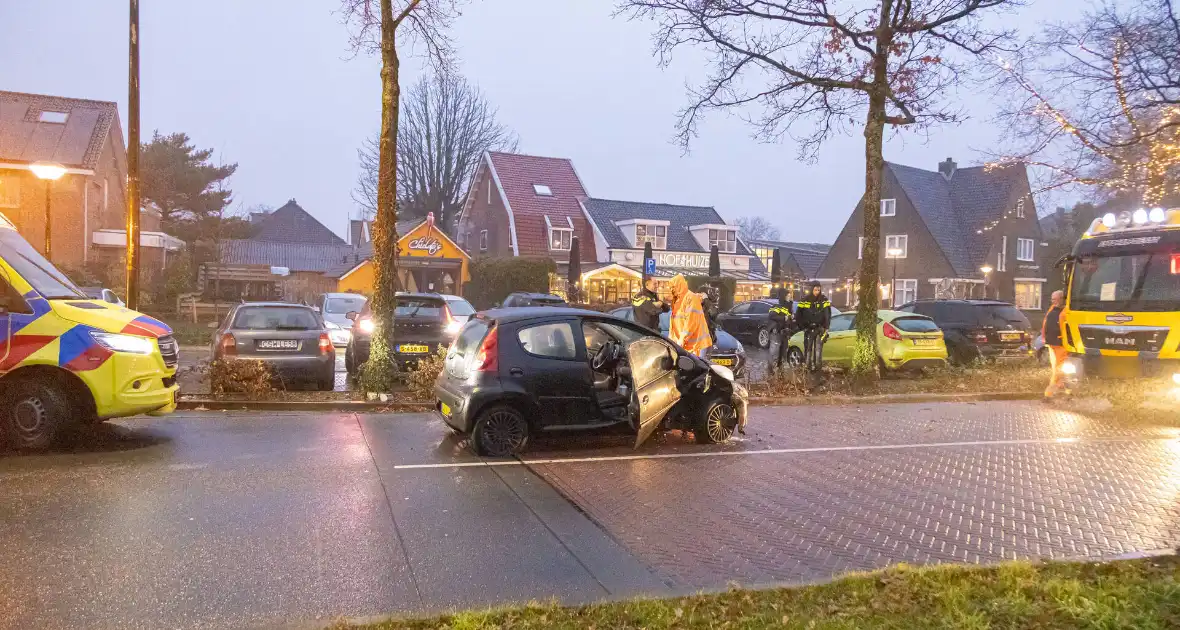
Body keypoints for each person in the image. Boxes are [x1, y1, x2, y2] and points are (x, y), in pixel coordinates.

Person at [668, 274, 713, 357]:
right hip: (686, 345)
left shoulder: (691, 298)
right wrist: (672, 340)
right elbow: (674, 324)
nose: (671, 289)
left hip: (697, 345)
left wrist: (682, 339)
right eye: (670, 287)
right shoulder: (677, 300)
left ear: (680, 285)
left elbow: (691, 322)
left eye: (673, 287)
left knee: (698, 369)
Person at [794, 281, 831, 372]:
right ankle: (807, 367)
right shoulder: (805, 300)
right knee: (808, 349)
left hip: (819, 328)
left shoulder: (824, 300)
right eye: (815, 290)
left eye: (818, 290)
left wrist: (826, 327)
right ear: (811, 289)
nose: (817, 292)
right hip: (808, 328)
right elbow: (798, 314)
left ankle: (818, 368)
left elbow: (827, 314)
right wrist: (802, 326)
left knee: (818, 350)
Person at [1042, 290, 1069, 401]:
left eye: (1055, 299)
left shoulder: (1066, 310)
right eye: (1052, 299)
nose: (1052, 301)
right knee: (1057, 369)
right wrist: (1044, 336)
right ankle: (1067, 392)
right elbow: (1046, 322)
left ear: (1061, 298)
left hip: (1061, 345)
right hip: (1051, 344)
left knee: (1059, 370)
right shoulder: (1052, 308)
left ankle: (1049, 394)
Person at [768, 287, 794, 373]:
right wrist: (784, 318)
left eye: (790, 296)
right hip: (776, 332)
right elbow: (772, 316)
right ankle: (771, 370)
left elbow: (789, 321)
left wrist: (791, 317)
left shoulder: (788, 307)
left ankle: (779, 370)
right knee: (774, 352)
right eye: (788, 296)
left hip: (784, 333)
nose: (789, 298)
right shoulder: (777, 306)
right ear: (783, 296)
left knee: (783, 352)